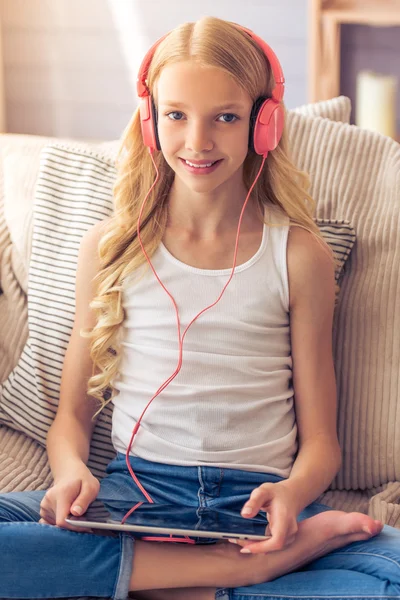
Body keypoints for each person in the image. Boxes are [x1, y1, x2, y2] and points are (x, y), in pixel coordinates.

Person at [1, 15, 399, 600]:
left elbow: (322, 444)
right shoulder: (111, 247)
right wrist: (70, 473)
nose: (198, 141)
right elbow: (71, 418)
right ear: (150, 119)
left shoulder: (298, 254)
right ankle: (241, 576)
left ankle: (173, 580)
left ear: (264, 126)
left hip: (256, 504)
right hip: (134, 499)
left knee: (390, 569)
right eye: (177, 115)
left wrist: (291, 494)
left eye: (227, 118)